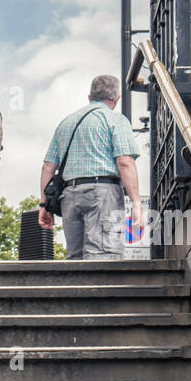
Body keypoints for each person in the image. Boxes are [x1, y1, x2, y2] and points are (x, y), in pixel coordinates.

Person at [38, 74, 143, 258]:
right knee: (104, 255)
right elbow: (125, 162)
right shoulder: (116, 120)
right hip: (102, 194)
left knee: (75, 258)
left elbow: (48, 167)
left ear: (90, 97)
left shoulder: (66, 123)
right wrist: (136, 203)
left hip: (69, 196)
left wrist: (44, 205)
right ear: (116, 99)